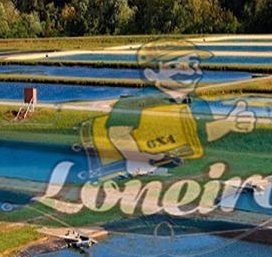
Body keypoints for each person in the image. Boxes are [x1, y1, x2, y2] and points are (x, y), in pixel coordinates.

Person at [84, 38, 255, 179]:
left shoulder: (198, 104)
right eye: (174, 66)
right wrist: (139, 157)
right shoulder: (136, 103)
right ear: (151, 74)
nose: (187, 72)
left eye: (193, 65)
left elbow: (203, 132)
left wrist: (228, 124)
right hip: (137, 170)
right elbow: (119, 132)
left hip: (177, 168)